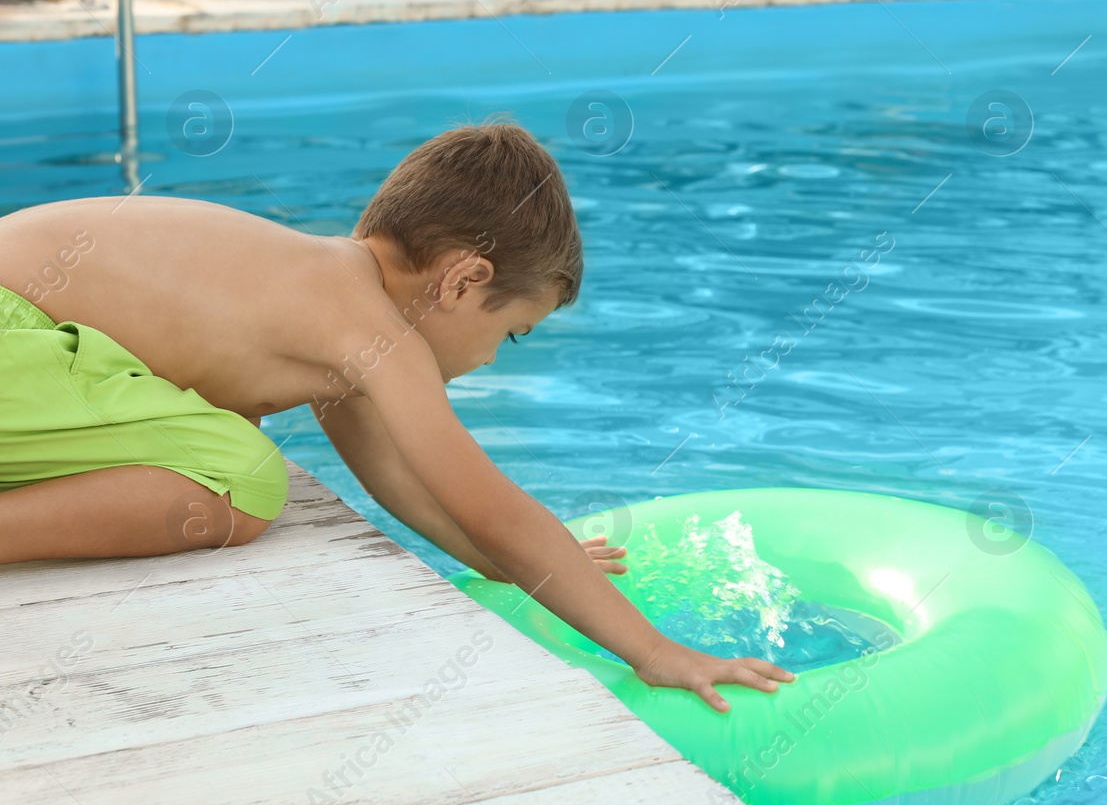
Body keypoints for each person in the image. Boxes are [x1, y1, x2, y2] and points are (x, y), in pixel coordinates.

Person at [0, 122, 793, 713]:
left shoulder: (326, 302)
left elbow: (401, 478)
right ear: (461, 280)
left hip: (24, 355)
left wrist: (486, 559)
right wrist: (652, 649)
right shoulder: (367, 326)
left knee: (223, 441)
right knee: (241, 472)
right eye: (509, 330)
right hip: (13, 338)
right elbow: (489, 500)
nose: (491, 358)